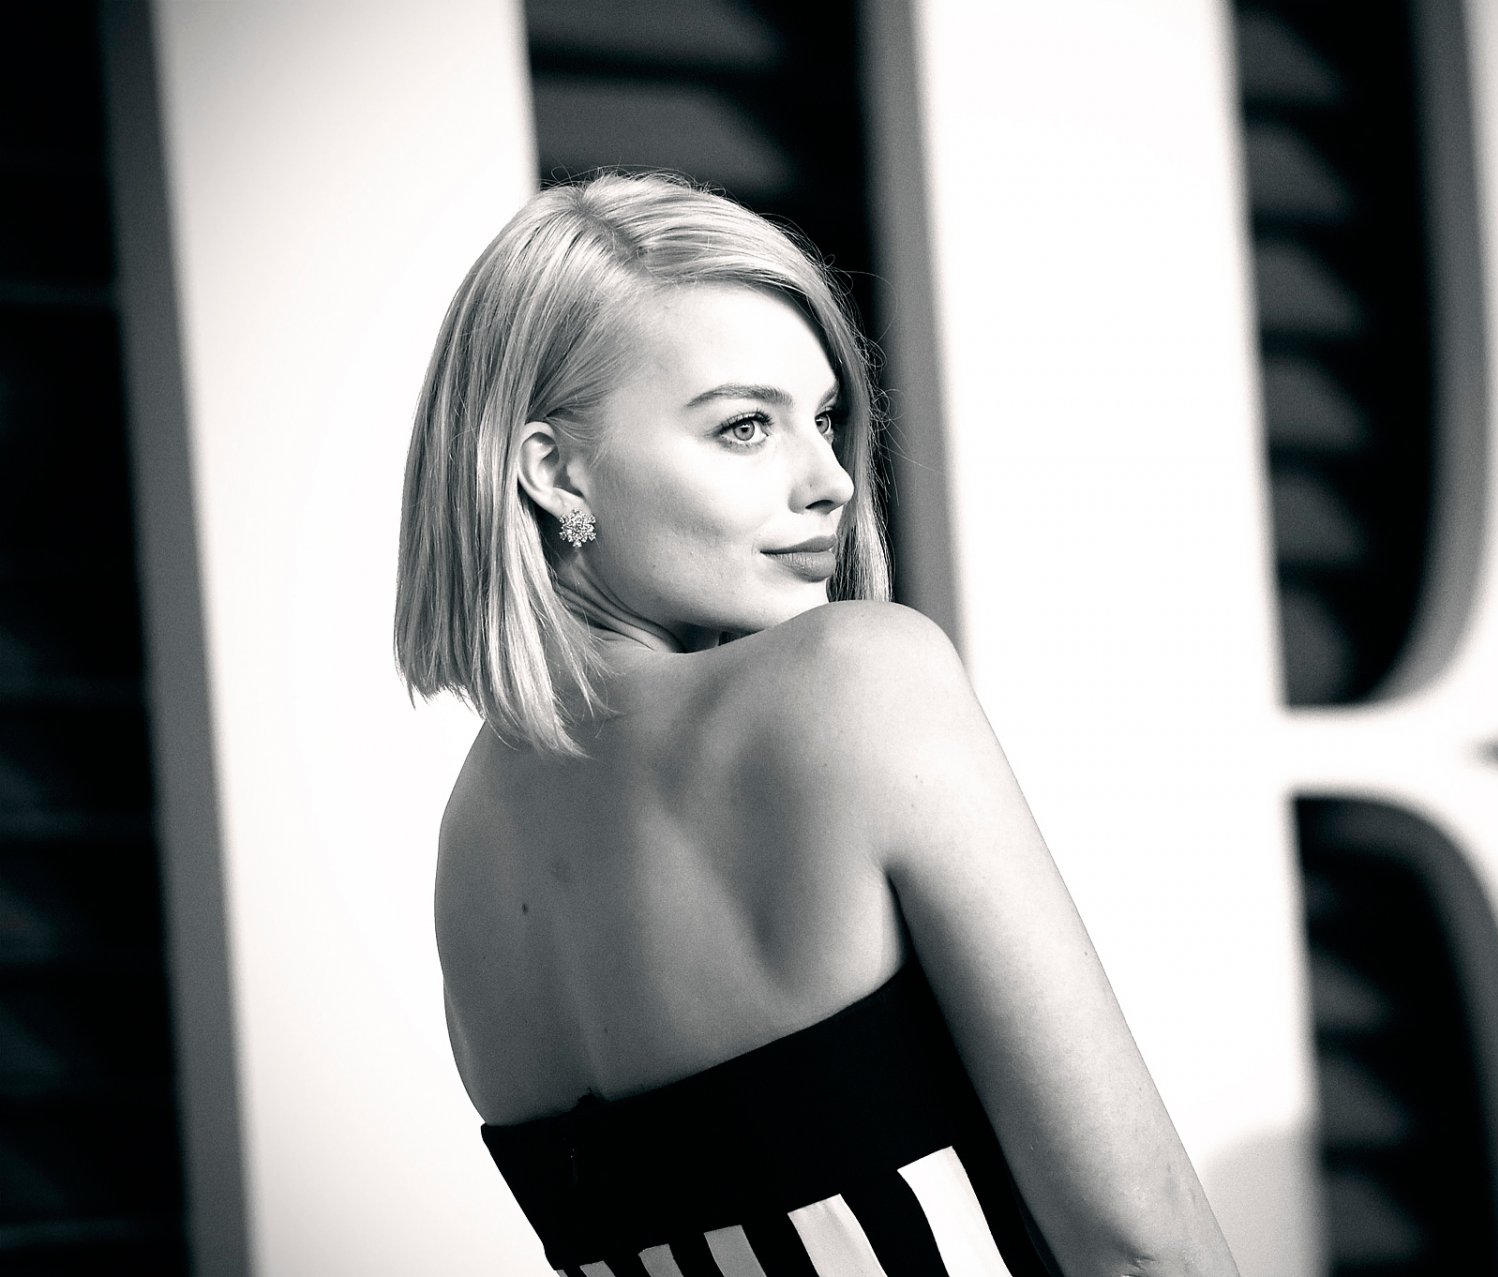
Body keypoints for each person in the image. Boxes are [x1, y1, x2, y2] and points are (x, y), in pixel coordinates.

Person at [394, 172, 1240, 1277]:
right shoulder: (857, 677)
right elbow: (1140, 1242)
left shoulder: (471, 840)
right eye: (744, 426)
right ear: (554, 471)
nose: (832, 481)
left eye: (826, 417)